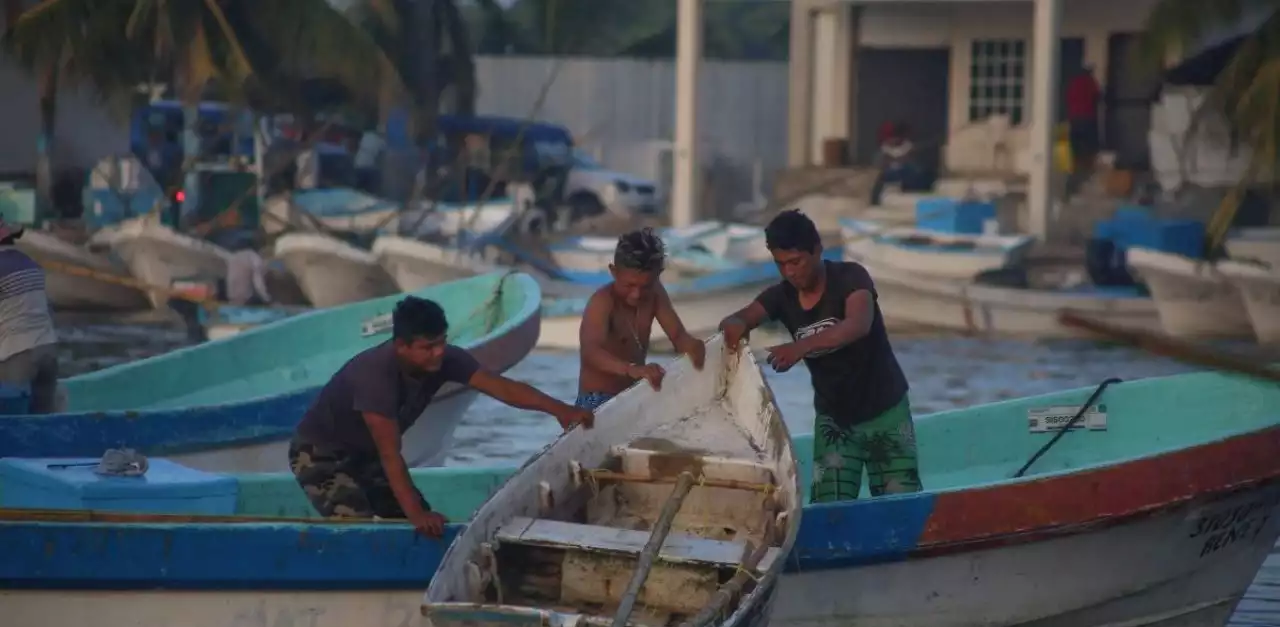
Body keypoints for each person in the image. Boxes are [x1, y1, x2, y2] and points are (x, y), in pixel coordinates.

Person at [289, 296, 594, 537]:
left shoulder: (447, 359)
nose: (438, 353)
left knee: (425, 523)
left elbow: (501, 387)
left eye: (442, 342)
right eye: (427, 347)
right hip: (320, 455)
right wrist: (417, 515)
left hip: (366, 456)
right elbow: (390, 454)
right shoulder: (375, 378)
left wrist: (560, 409)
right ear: (401, 346)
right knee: (358, 524)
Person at [717, 209, 920, 502]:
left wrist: (800, 347)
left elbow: (857, 325)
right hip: (834, 420)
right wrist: (734, 330)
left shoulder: (851, 277)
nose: (789, 272)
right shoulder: (780, 297)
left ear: (817, 251)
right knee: (830, 509)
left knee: (901, 506)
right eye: (781, 264)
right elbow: (738, 319)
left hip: (886, 411)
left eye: (796, 262)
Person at [576, 228, 706, 411]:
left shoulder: (655, 293)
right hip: (596, 400)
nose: (636, 294)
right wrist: (632, 369)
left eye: (645, 286)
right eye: (629, 285)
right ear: (614, 272)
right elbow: (591, 353)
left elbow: (677, 336)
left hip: (634, 396)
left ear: (658, 275)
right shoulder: (602, 302)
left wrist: (695, 349)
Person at [0, 217, 59, 414]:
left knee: (11, 425)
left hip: (18, 355)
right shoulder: (32, 264)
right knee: (43, 423)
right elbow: (48, 311)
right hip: (48, 351)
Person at [1066, 65, 1103, 196]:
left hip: (1074, 120)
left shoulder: (1073, 83)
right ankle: (1087, 174)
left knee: (1075, 151)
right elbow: (1098, 96)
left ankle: (1074, 175)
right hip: (1087, 119)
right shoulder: (1089, 82)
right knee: (1090, 149)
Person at [870, 122, 919, 206]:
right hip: (887, 183)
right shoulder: (882, 153)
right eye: (888, 139)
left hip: (906, 183)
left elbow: (915, 169)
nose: (892, 141)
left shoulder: (909, 149)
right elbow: (877, 169)